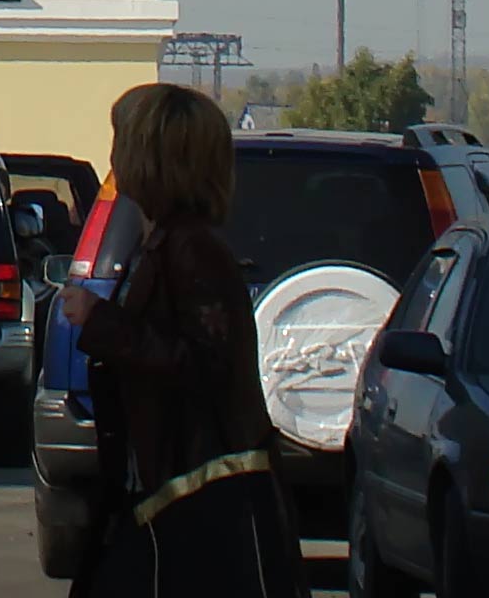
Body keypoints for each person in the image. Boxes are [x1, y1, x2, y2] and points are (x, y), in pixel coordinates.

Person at [53, 84, 307, 596]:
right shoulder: (164, 242)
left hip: (201, 498)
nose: (113, 156)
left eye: (123, 141)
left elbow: (204, 364)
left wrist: (101, 321)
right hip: (164, 493)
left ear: (154, 157)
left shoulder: (193, 250)